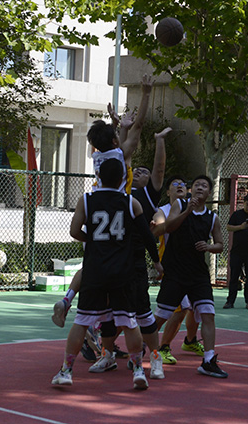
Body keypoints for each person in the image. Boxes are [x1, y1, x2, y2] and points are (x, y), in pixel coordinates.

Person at [52, 76, 152, 328]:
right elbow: (139, 127)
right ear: (115, 141)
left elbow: (118, 140)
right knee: (119, 276)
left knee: (91, 265)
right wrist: (146, 94)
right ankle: (107, 326)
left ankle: (67, 299)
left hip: (96, 210)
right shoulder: (120, 155)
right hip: (118, 213)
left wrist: (118, 125)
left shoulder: (99, 156)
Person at [51, 158, 155, 390]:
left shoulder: (87, 200)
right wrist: (157, 262)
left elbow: (74, 231)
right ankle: (139, 370)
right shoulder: (131, 202)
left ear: (98, 177)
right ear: (122, 179)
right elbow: (147, 236)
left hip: (95, 269)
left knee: (81, 321)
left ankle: (66, 371)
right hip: (122, 270)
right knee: (129, 322)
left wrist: (94, 240)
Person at [88, 127, 171, 379]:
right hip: (109, 260)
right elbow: (122, 153)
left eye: (145, 172)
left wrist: (155, 260)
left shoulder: (143, 195)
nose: (141, 172)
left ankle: (154, 359)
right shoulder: (105, 195)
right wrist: (122, 127)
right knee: (109, 314)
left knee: (142, 311)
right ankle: (107, 355)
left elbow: (146, 234)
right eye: (137, 170)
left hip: (132, 260)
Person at [153, 175, 228, 378]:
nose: (200, 188)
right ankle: (142, 349)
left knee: (208, 314)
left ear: (209, 192)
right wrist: (187, 212)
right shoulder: (179, 205)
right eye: (196, 185)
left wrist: (209, 247)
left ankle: (208, 360)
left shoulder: (212, 217)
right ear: (191, 190)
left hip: (198, 275)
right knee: (161, 316)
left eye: (204, 186)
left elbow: (220, 245)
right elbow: (168, 227)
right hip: (175, 272)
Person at [152, 175, 202, 365]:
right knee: (178, 309)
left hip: (189, 265)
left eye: (183, 184)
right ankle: (160, 346)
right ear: (168, 192)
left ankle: (190, 340)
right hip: (171, 265)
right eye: (175, 184)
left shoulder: (194, 208)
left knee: (195, 306)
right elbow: (157, 229)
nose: (180, 186)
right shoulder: (162, 211)